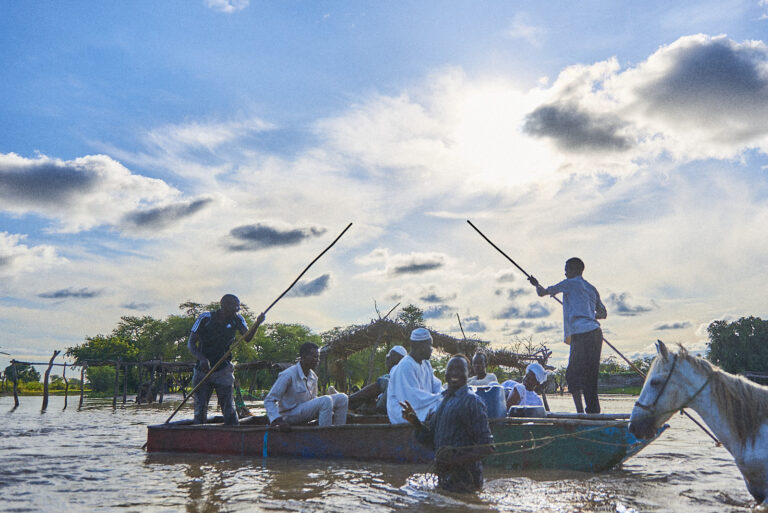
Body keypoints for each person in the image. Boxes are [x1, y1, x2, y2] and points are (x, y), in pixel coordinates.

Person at [401, 355, 495, 493]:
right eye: (450, 369)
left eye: (459, 369)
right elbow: (431, 440)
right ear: (445, 373)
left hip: (466, 483)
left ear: (468, 373)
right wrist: (415, 422)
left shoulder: (472, 401)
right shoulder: (442, 402)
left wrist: (454, 460)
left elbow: (488, 447)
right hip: (446, 480)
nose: (454, 373)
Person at [529, 257, 607, 414]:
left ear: (575, 269)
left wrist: (535, 284)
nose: (565, 272)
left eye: (567, 268)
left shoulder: (569, 283)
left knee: (572, 376)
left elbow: (542, 293)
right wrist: (588, 314)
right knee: (590, 377)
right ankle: (593, 413)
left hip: (582, 333)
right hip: (595, 333)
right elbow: (603, 313)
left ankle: (580, 414)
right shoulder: (591, 288)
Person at [187, 294, 265, 425]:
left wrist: (257, 323)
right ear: (224, 306)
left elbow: (247, 338)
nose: (237, 310)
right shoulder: (205, 318)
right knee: (200, 410)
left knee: (229, 410)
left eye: (238, 307)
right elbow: (190, 343)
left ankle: (232, 436)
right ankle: (199, 437)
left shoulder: (237, 319)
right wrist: (202, 359)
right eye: (235, 307)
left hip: (223, 370)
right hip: (202, 371)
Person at [265, 342, 348, 430]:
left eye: (318, 357)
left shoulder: (313, 376)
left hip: (304, 412)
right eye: (314, 357)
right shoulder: (288, 375)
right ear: (304, 357)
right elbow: (269, 400)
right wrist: (277, 420)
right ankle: (325, 436)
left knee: (343, 398)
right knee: (326, 400)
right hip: (289, 415)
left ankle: (338, 432)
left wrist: (329, 410)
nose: (317, 360)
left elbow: (314, 399)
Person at [386, 328, 443, 424]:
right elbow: (412, 399)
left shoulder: (426, 363)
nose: (431, 350)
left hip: (421, 406)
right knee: (441, 407)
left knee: (448, 404)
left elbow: (436, 385)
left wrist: (447, 394)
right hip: (404, 412)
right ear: (420, 346)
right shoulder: (406, 365)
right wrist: (440, 397)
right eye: (430, 345)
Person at [348, 345, 407, 413]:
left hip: (387, 409)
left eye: (391, 356)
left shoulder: (397, 369)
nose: (387, 359)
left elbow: (380, 385)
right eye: (388, 357)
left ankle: (348, 400)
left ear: (400, 358)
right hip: (387, 405)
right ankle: (349, 403)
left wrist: (350, 398)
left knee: (383, 381)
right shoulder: (396, 373)